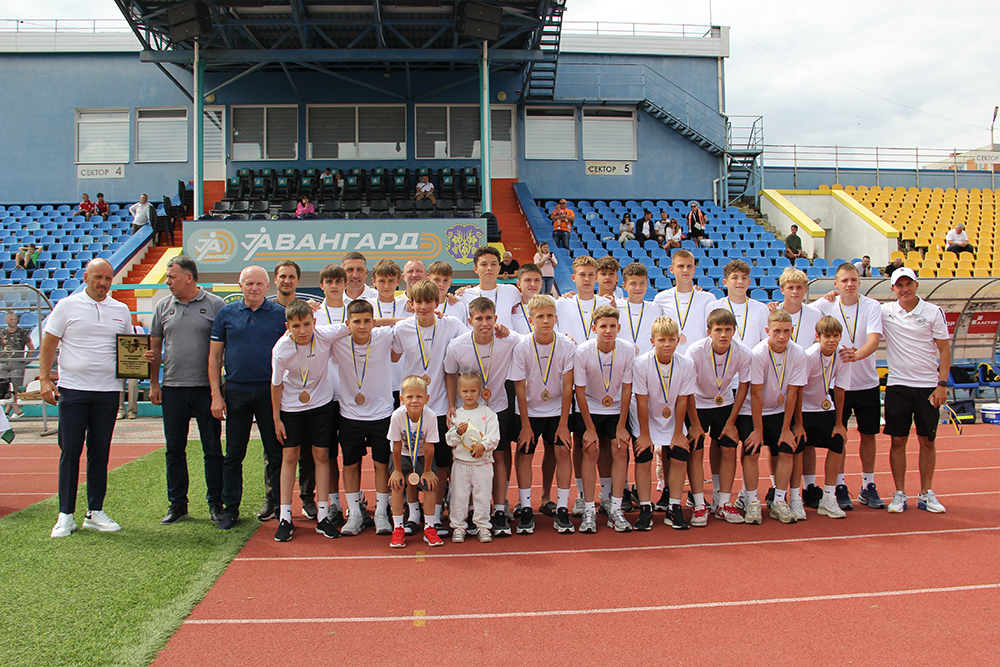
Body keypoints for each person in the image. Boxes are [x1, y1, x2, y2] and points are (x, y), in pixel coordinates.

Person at [41, 258, 132, 538]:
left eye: (107, 278)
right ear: (86, 277)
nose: (103, 283)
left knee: (100, 452)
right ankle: (65, 514)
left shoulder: (121, 309)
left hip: (108, 391)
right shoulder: (66, 306)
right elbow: (49, 341)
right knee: (70, 450)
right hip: (73, 389)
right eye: (98, 277)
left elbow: (129, 348)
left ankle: (95, 511)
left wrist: (144, 358)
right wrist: (44, 378)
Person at [147, 255, 226, 525]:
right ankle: (177, 504)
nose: (168, 281)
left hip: (206, 389)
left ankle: (216, 502)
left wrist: (219, 391)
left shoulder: (215, 305)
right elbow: (154, 348)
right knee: (174, 449)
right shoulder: (162, 306)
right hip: (172, 388)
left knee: (212, 448)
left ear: (189, 277)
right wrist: (154, 383)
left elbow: (224, 348)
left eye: (172, 277)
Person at [209, 266, 288, 530]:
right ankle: (230, 510)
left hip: (269, 393)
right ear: (240, 284)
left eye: (259, 283)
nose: (254, 288)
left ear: (268, 286)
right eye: (249, 283)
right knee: (233, 455)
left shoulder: (280, 314)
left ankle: (281, 509)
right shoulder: (226, 313)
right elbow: (214, 357)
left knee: (275, 453)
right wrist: (216, 395)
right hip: (236, 393)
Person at [392, 280, 467, 535]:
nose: (424, 306)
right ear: (410, 304)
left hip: (440, 405)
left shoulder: (452, 325)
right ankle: (414, 514)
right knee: (412, 460)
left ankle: (434, 515)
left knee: (441, 463)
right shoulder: (402, 328)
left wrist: (451, 405)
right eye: (419, 302)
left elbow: (468, 346)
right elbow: (393, 355)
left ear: (438, 302)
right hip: (412, 406)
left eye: (429, 301)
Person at [444, 297, 523, 536]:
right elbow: (450, 373)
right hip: (468, 410)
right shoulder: (457, 345)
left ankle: (498, 509)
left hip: (497, 407)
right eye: (479, 318)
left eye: (489, 318)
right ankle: (467, 510)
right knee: (464, 456)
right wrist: (451, 405)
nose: (485, 323)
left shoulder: (508, 339)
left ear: (496, 318)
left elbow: (533, 340)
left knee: (497, 455)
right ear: (470, 321)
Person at [814, 262, 885, 511]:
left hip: (867, 382)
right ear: (836, 284)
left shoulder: (872, 306)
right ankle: (840, 486)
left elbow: (874, 340)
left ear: (860, 281)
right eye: (844, 280)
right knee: (838, 435)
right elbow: (796, 309)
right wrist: (773, 306)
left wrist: (857, 355)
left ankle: (868, 485)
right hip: (837, 384)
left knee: (868, 435)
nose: (850, 284)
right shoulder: (825, 305)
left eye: (853, 279)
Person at [880, 267, 950, 514]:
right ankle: (899, 493)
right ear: (893, 289)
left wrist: (942, 385)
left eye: (908, 284)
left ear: (916, 285)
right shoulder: (885, 311)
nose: (905, 289)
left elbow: (944, 349)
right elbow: (855, 304)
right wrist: (832, 294)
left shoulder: (932, 312)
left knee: (927, 440)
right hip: (898, 386)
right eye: (899, 285)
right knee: (898, 440)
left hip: (928, 387)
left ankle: (926, 493)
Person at [270, 300, 341, 542]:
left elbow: (356, 324)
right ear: (287, 326)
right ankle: (285, 517)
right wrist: (276, 418)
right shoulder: (281, 349)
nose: (303, 331)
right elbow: (276, 384)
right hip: (291, 407)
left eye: (307, 324)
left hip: (321, 405)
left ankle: (323, 516)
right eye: (296, 326)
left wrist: (411, 318)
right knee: (290, 456)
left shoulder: (324, 335)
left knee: (321, 455)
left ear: (315, 322)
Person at [328, 300, 401, 537]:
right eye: (356, 321)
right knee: (350, 463)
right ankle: (355, 514)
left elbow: (407, 324)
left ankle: (381, 512)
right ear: (347, 324)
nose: (362, 326)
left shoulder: (383, 336)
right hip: (350, 414)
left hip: (381, 412)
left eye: (367, 321)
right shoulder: (338, 341)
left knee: (381, 463)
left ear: (374, 322)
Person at [512, 294, 576, 534]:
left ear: (556, 318)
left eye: (550, 316)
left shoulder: (567, 345)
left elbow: (568, 386)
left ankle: (561, 507)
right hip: (529, 410)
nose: (546, 320)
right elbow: (519, 387)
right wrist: (525, 425)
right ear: (531, 320)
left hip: (557, 409)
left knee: (560, 450)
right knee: (525, 453)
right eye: (540, 316)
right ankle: (526, 507)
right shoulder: (522, 347)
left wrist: (564, 424)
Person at [685, 309, 752, 523]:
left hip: (725, 404)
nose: (723, 334)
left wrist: (731, 422)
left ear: (734, 331)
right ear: (709, 332)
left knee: (729, 449)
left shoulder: (742, 352)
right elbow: (686, 389)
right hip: (697, 403)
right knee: (695, 451)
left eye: (728, 330)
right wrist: (695, 423)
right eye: (718, 330)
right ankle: (698, 503)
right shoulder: (695, 351)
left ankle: (723, 502)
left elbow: (743, 387)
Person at [574, 305, 635, 533]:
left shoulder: (627, 350)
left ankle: (615, 508)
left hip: (616, 408)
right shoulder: (583, 351)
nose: (608, 331)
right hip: (590, 406)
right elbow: (579, 392)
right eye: (603, 326)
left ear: (618, 327)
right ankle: (589, 509)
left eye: (612, 326)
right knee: (590, 449)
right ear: (594, 328)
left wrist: (621, 425)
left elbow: (627, 389)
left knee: (620, 448)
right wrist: (590, 429)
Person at [633, 316, 697, 531]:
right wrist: (645, 435)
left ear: (678, 340)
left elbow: (682, 400)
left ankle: (674, 507)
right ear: (652, 341)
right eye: (661, 340)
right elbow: (642, 401)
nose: (667, 344)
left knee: (679, 452)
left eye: (671, 339)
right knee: (643, 454)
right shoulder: (641, 364)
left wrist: (678, 433)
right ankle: (645, 507)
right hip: (646, 416)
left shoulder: (686, 364)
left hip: (673, 417)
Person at [747, 309, 807, 525]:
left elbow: (793, 392)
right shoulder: (758, 353)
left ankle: (779, 500)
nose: (782, 336)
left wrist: (786, 428)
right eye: (777, 331)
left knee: (787, 449)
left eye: (787, 331)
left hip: (780, 411)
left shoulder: (798, 353)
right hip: (755, 410)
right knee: (752, 451)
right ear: (767, 331)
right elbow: (755, 394)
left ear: (792, 330)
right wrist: (758, 430)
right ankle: (751, 501)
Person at [269, 260, 317, 520]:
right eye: (282, 276)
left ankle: (308, 498)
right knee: (278, 453)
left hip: (311, 397)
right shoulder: (267, 309)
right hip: (284, 397)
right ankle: (275, 502)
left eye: (291, 276)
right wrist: (276, 415)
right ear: (275, 279)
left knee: (310, 453)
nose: (286, 280)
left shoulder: (309, 309)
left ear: (298, 280)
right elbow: (276, 381)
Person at [801, 316, 852, 520]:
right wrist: (797, 423)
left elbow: (839, 388)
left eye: (836, 336)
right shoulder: (809, 356)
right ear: (818, 336)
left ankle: (829, 497)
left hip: (824, 406)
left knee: (838, 442)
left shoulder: (842, 356)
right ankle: (806, 489)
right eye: (827, 336)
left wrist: (839, 423)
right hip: (803, 407)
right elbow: (797, 388)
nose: (832, 340)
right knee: (804, 445)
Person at [387, 375, 442, 548]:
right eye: (409, 397)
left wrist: (427, 470)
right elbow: (396, 445)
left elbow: (429, 446)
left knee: (430, 486)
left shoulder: (430, 416)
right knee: (397, 486)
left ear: (427, 398)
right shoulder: (397, 416)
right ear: (401, 399)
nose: (414, 401)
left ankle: (430, 527)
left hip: (423, 454)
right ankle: (398, 528)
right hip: (401, 454)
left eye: (419, 396)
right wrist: (397, 471)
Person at [446, 373, 500, 543]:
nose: (469, 395)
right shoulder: (456, 414)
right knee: (459, 496)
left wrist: (483, 446)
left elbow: (494, 437)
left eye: (473, 391)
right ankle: (458, 526)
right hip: (461, 464)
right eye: (465, 391)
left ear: (480, 391)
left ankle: (483, 525)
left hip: (482, 464)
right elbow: (449, 440)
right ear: (459, 392)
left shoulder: (488, 413)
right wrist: (457, 432)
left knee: (482, 495)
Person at [458, 246, 522, 329]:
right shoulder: (464, 295)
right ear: (475, 269)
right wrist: (450, 295)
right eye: (484, 264)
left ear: (499, 268)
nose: (489, 268)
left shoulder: (511, 291)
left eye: (493, 264)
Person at [0, 311, 33, 419]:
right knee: (4, 386)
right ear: (6, 320)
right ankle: (16, 410)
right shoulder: (2, 332)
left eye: (15, 319)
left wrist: (26, 360)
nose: (13, 321)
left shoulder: (22, 332)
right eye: (11, 319)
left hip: (17, 362)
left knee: (14, 387)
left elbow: (31, 347)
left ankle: (8, 412)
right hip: (4, 362)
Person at [427, 261, 469, 327]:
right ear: (428, 279)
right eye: (437, 280)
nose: (441, 284)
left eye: (445, 280)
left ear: (450, 283)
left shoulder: (459, 307)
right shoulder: (420, 306)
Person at [509, 264, 544, 336]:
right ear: (518, 284)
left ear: (541, 284)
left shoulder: (553, 304)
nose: (533, 284)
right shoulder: (512, 310)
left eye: (537, 280)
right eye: (528, 280)